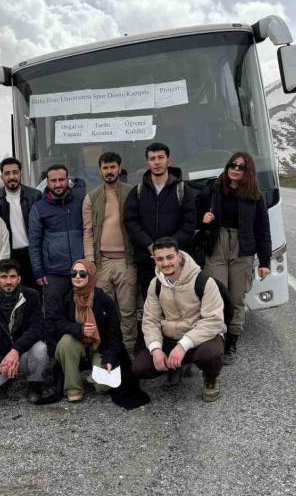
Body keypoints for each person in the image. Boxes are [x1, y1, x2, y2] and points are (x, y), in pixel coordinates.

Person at [196, 152, 271, 365]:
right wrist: (203, 218)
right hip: (217, 245)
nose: (236, 169)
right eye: (233, 165)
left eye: (241, 167)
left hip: (242, 248)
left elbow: (263, 230)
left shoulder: (255, 196)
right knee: (215, 295)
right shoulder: (214, 188)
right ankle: (216, 338)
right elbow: (194, 209)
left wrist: (265, 262)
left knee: (237, 298)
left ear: (248, 171)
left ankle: (232, 341)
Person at [133, 237, 225, 401]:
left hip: (200, 337)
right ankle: (174, 366)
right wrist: (156, 349)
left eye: (170, 257)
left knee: (209, 355)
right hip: (171, 335)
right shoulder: (156, 284)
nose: (165, 263)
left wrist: (183, 345)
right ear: (154, 260)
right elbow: (150, 320)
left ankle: (211, 378)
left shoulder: (204, 281)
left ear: (179, 256)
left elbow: (213, 321)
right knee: (140, 368)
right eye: (160, 259)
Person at [124, 142, 197, 301]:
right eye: (152, 159)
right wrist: (149, 244)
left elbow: (189, 223)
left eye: (160, 158)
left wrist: (170, 247)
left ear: (168, 161)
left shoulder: (182, 190)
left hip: (176, 261)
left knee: (180, 303)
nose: (157, 162)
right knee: (152, 304)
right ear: (147, 163)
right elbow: (130, 221)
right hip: (147, 261)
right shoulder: (137, 192)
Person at [82, 152, 138, 355]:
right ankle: (107, 353)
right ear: (100, 171)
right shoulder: (91, 197)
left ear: (119, 168)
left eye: (112, 167)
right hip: (102, 262)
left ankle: (128, 352)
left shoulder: (132, 193)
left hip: (126, 261)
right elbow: (88, 232)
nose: (109, 171)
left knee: (128, 311)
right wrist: (90, 261)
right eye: (105, 168)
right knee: (104, 311)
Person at [28, 164, 84, 348]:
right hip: (53, 272)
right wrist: (38, 271)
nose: (58, 184)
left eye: (61, 179)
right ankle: (54, 354)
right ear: (47, 182)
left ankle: (83, 351)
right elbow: (34, 242)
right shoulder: (39, 208)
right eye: (53, 180)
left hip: (80, 270)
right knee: (52, 314)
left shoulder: (80, 202)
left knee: (82, 311)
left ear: (68, 180)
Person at [51, 260, 124, 402]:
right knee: (66, 341)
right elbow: (56, 324)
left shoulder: (104, 300)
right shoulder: (65, 298)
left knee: (103, 387)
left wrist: (110, 359)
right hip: (75, 345)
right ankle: (73, 388)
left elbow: (114, 334)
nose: (77, 277)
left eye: (82, 274)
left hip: (99, 348)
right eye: (74, 273)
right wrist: (80, 329)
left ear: (91, 276)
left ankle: (95, 375)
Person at [0, 259, 48, 403]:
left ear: (19, 279)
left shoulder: (31, 296)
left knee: (41, 349)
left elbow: (38, 327)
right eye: (4, 277)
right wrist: (1, 364)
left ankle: (35, 383)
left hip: (23, 352)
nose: (8, 281)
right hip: (2, 358)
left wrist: (16, 350)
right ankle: (8, 377)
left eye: (12, 276)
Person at [0, 157, 42, 288]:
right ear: (1, 176)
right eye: (7, 173)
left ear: (21, 173)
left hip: (32, 254)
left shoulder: (35, 195)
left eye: (15, 172)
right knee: (12, 292)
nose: (11, 177)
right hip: (8, 255)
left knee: (34, 292)